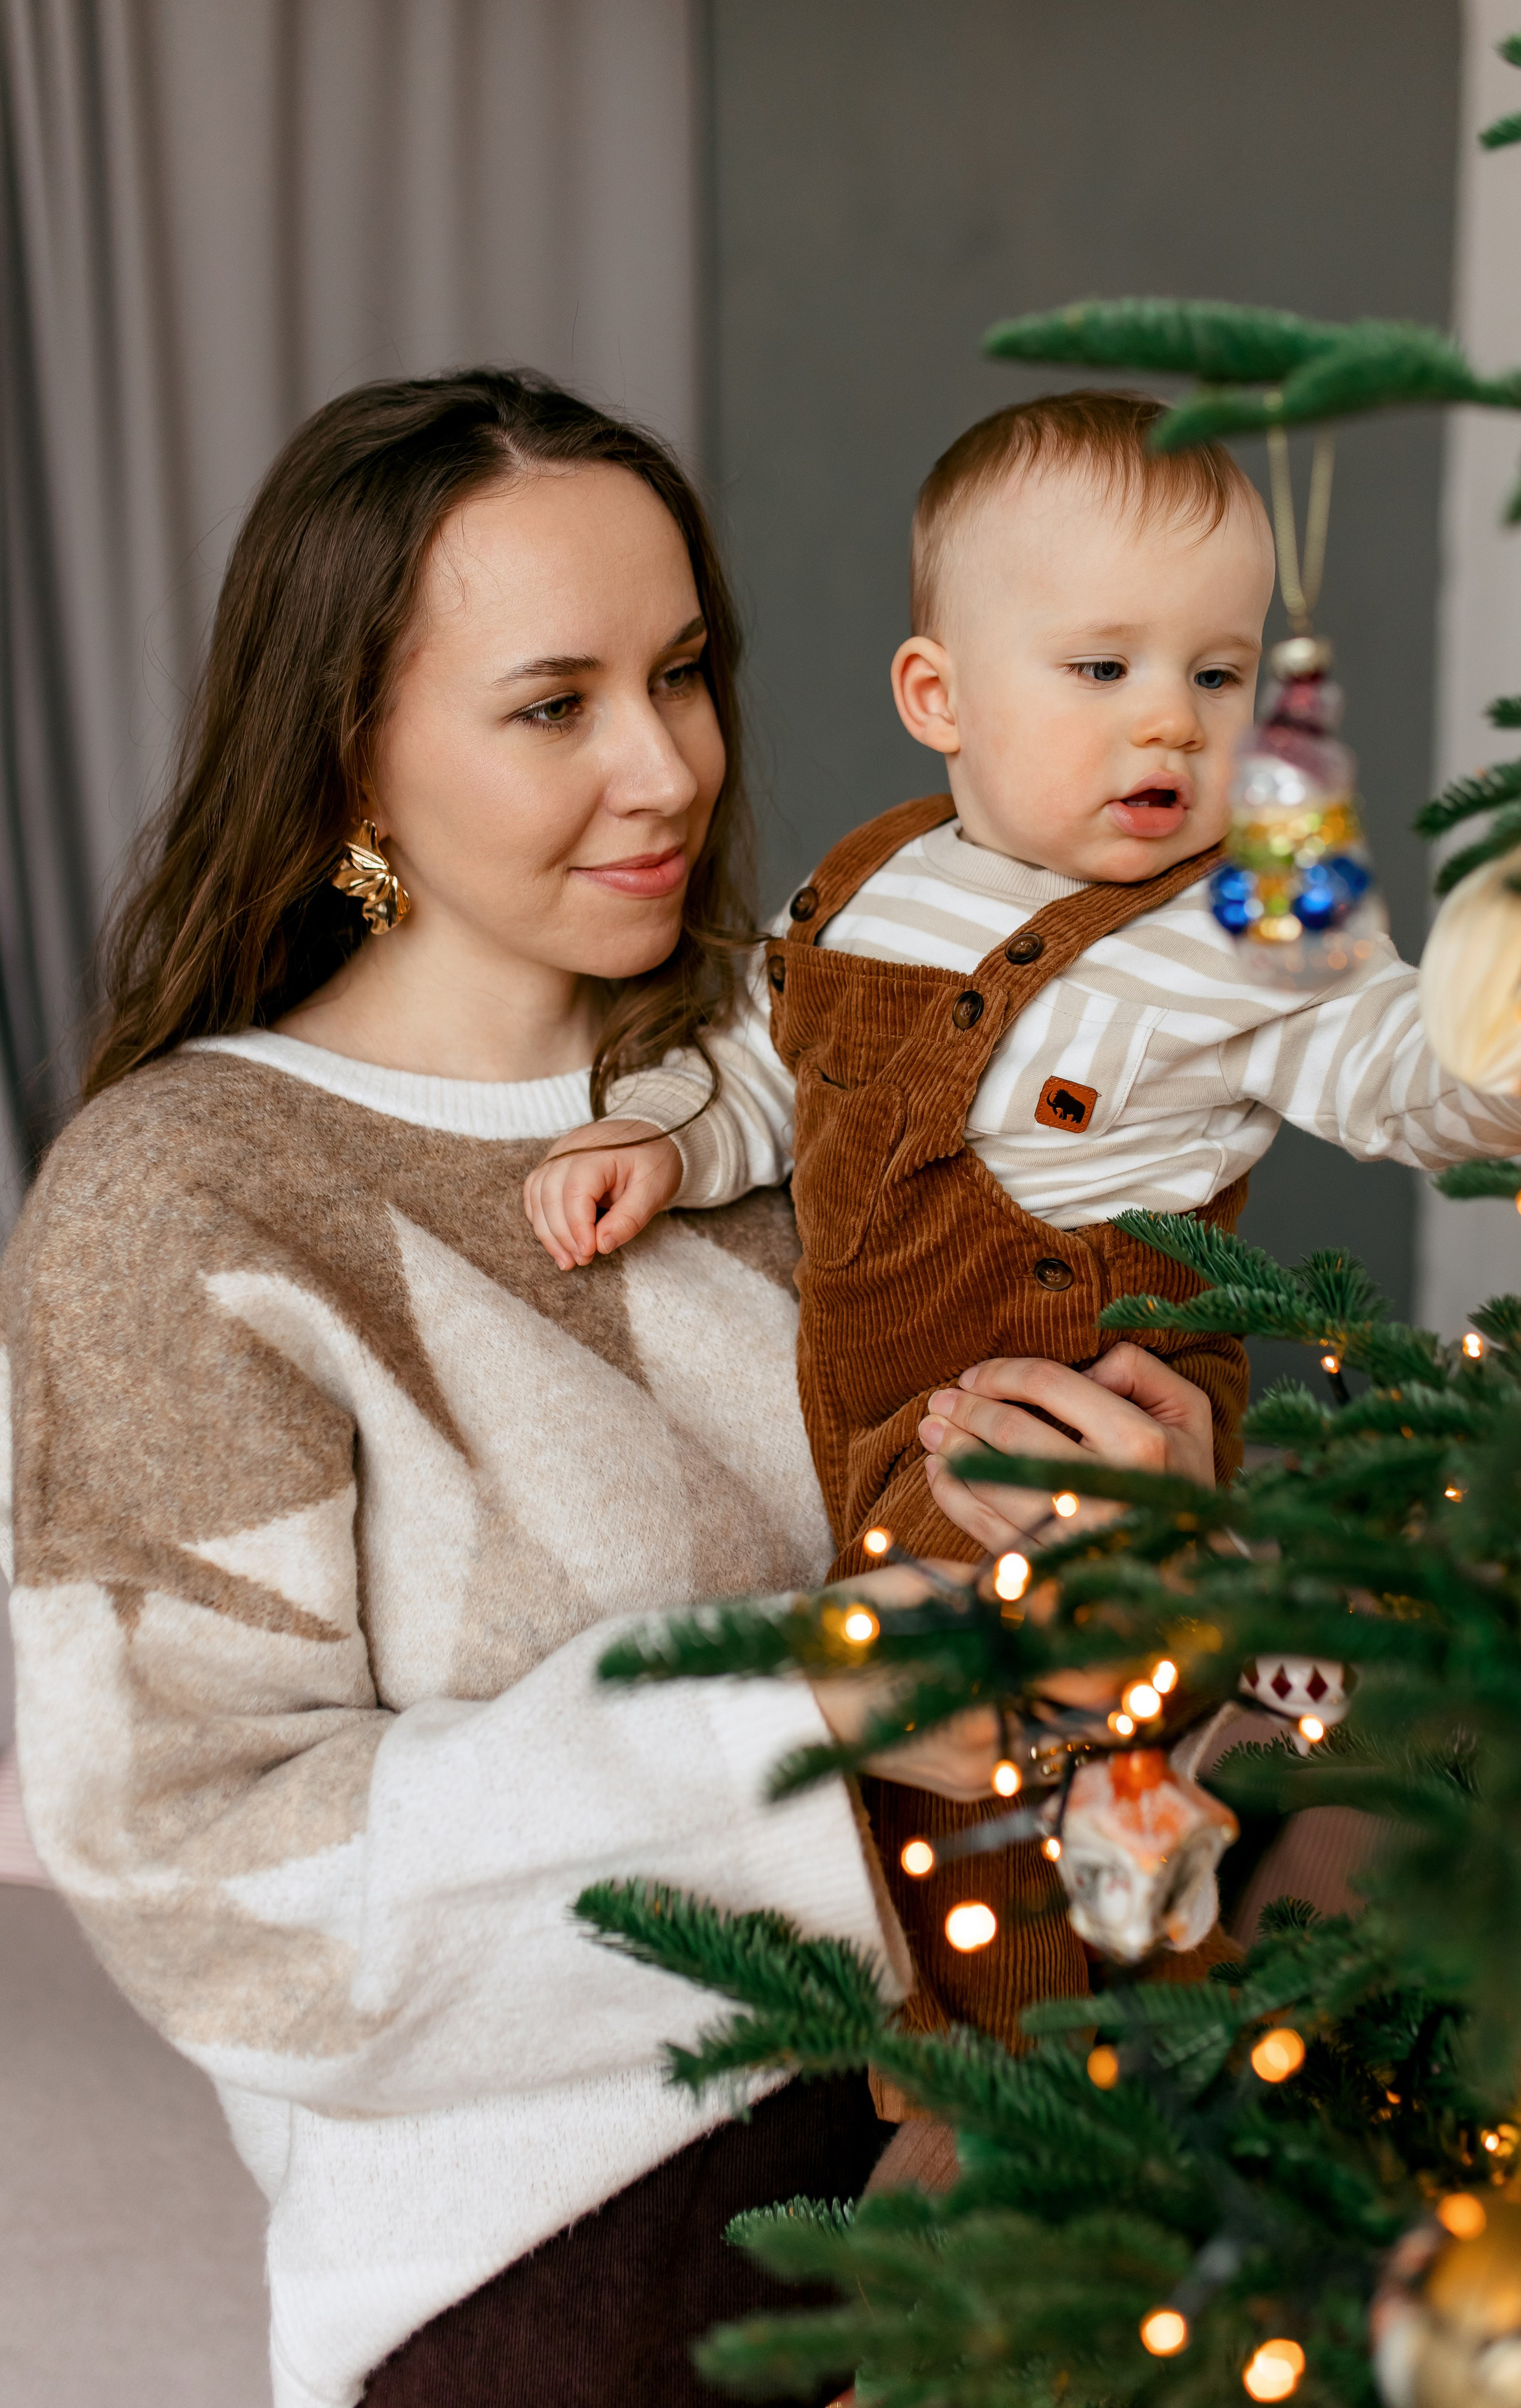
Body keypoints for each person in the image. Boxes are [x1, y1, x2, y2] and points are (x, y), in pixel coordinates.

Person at [0, 367, 1215, 2408]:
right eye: (555, 705)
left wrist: (1141, 1487)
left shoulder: (815, 1070)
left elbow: (1041, 1474)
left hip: (1042, 2082)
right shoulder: (190, 1200)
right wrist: (813, 1717)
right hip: (576, 2246)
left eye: (683, 673)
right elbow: (214, 1896)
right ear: (351, 757)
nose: (666, 769)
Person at [518, 389, 1521, 2050]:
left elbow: (1398, 1070)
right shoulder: (868, 884)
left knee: (995, 1802)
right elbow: (769, 1060)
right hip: (878, 1421)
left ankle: (1051, 2063)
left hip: (1073, 1413)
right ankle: (1104, 1903)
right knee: (901, 1783)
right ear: (939, 697)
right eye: (1103, 669)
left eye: (1218, 675)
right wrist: (668, 1140)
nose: (1172, 727)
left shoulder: (1247, 932)